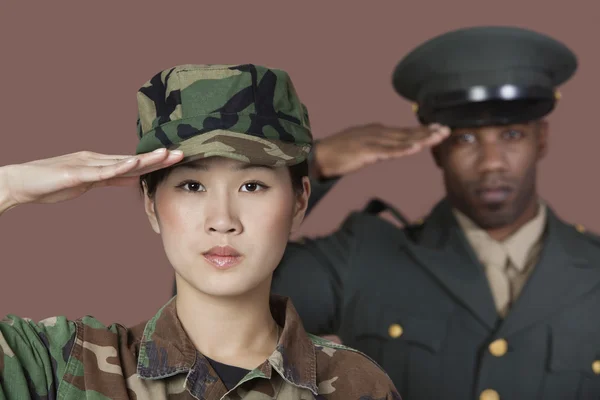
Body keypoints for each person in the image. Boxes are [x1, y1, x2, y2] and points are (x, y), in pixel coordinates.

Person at [0, 64, 402, 399]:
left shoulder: (356, 386)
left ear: (300, 201)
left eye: (252, 186)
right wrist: (9, 188)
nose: (223, 219)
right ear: (150, 205)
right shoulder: (66, 366)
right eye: (192, 186)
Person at [270, 26, 600, 400]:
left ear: (542, 139)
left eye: (511, 135)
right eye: (466, 139)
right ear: (437, 150)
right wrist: (314, 166)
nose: (491, 163)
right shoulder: (361, 257)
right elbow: (209, 303)